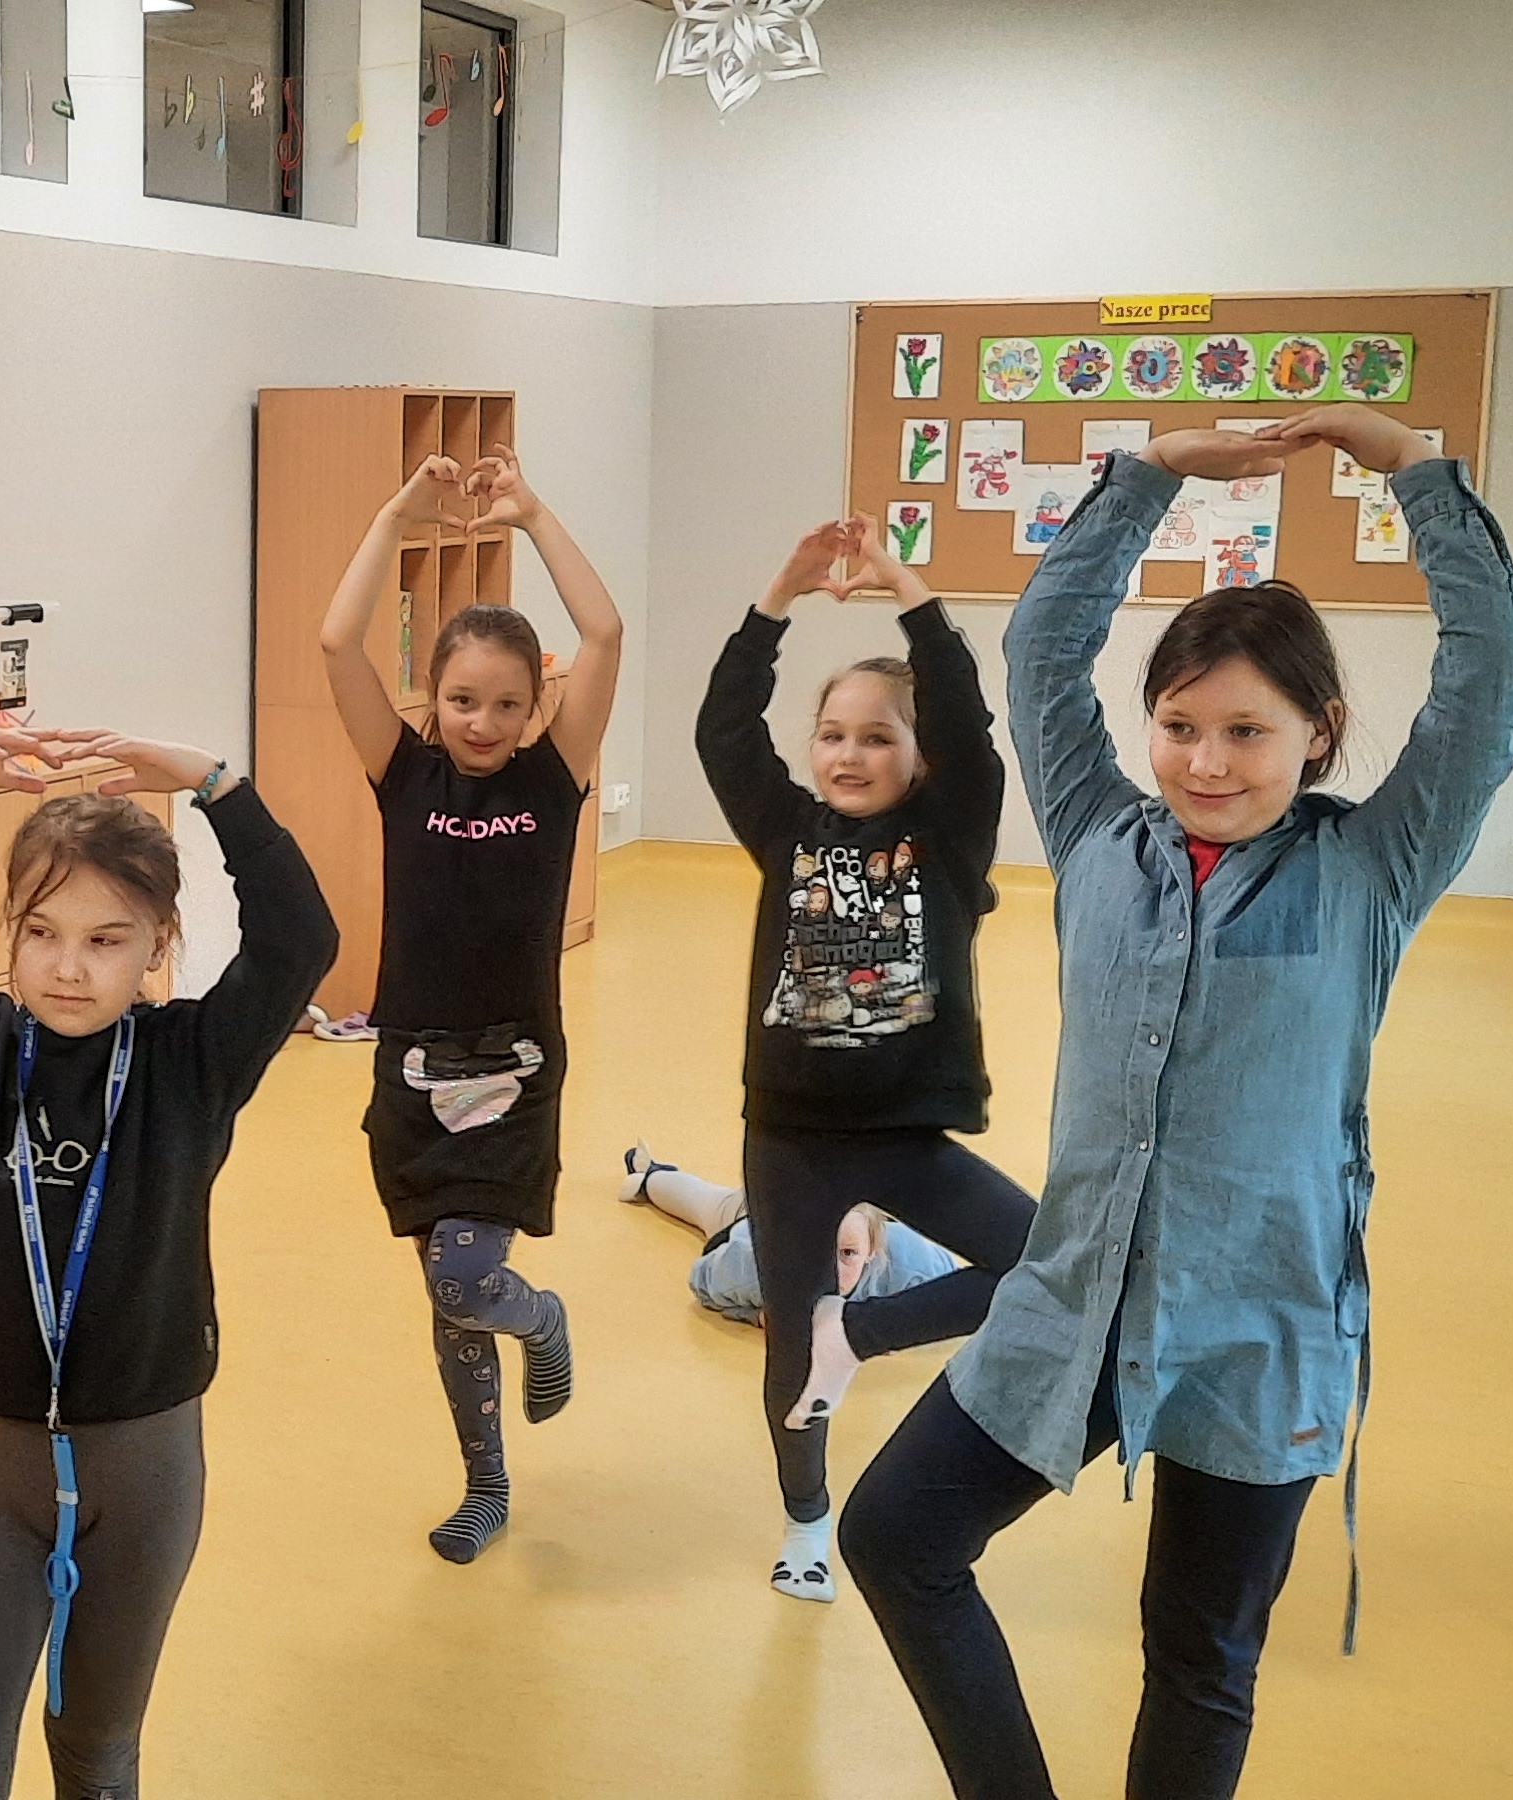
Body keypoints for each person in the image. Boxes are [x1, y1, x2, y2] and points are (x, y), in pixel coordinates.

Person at [839, 405, 1513, 1800]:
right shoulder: (1099, 835)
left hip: (1260, 1322)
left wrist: (1411, 470)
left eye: (1246, 732)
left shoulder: (1371, 869)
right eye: (1177, 726)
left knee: (1200, 1654)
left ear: (1318, 734)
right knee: (896, 1539)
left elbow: (1491, 676)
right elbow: (1042, 652)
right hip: (1074, 1298)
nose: (1206, 763)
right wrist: (1149, 477)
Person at [0, 724, 333, 1800]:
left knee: (97, 1758)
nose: (68, 966)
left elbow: (298, 939)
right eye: (41, 932)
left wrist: (213, 783)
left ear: (158, 945)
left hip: (146, 1466)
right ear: (10, 930)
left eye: (106, 938)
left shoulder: (193, 1063)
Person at [690, 511, 1041, 1603]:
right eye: (833, 734)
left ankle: (862, 1326)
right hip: (791, 1140)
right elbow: (723, 729)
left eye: (879, 737)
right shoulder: (785, 829)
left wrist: (905, 588)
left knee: (1040, 1260)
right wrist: (779, 595)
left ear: (920, 755)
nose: (849, 755)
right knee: (788, 1358)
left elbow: (968, 722)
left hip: (904, 1135)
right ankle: (805, 1518)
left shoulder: (950, 836)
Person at [316, 449, 626, 1563]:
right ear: (431, 701)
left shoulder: (552, 778)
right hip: (411, 1068)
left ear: (537, 705)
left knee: (468, 1275)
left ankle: (542, 1319)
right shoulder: (404, 775)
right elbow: (337, 643)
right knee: (446, 1301)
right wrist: (396, 515)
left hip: (516, 1070)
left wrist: (532, 514)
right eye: (460, 701)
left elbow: (604, 633)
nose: (482, 723)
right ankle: (485, 1483)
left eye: (505, 703)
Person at [619, 1146, 970, 1335]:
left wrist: (898, 1325)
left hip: (827, 1208)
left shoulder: (914, 1268)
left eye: (848, 1254)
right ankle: (652, 1175)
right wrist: (755, 1315)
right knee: (707, 1203)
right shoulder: (754, 1264)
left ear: (872, 1251)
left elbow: (956, 1292)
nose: (828, 1270)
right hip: (759, 1216)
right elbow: (702, 1282)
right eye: (814, 1250)